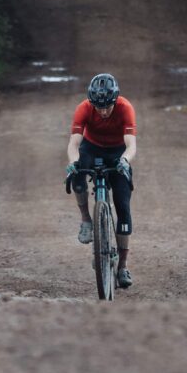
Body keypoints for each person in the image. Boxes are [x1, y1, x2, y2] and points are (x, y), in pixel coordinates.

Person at [65, 73, 137, 289]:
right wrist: (73, 162)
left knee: (123, 208)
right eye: (99, 106)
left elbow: (131, 144)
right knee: (76, 175)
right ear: (91, 102)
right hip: (91, 146)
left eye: (107, 106)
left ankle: (122, 267)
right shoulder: (84, 108)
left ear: (115, 100)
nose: (103, 111)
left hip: (118, 151)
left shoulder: (125, 108)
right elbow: (74, 144)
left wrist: (124, 160)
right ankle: (87, 220)